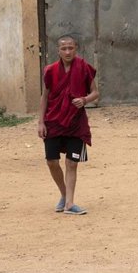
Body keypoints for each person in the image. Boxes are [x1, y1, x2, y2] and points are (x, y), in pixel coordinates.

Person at [38, 34, 99, 215]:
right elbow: (45, 97)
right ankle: (64, 195)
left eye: (70, 48)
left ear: (76, 48)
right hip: (53, 121)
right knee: (51, 161)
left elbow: (95, 92)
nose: (67, 51)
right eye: (64, 48)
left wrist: (84, 99)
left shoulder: (84, 68)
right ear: (58, 50)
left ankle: (70, 204)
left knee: (72, 163)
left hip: (75, 122)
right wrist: (41, 122)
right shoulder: (50, 71)